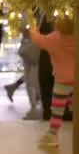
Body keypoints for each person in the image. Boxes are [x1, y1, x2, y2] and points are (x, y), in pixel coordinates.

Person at [30, 16, 76, 146]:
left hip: (62, 81)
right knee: (77, 109)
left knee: (57, 110)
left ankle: (53, 134)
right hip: (78, 80)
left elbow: (37, 39)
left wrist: (33, 27)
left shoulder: (55, 39)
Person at [5, 22, 43, 120]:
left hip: (32, 45)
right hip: (31, 45)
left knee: (32, 79)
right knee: (31, 78)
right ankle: (34, 107)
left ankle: (35, 107)